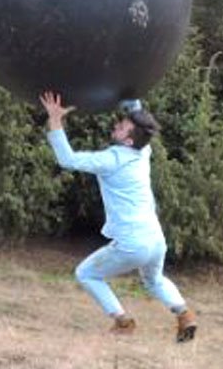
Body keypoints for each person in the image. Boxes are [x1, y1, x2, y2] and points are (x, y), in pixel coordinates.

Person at [39, 91, 197, 342]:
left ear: (128, 140)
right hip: (156, 240)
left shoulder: (112, 159)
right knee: (154, 280)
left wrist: (55, 120)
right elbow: (137, 114)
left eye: (122, 126)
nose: (117, 124)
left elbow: (67, 159)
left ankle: (123, 322)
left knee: (86, 274)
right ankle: (185, 316)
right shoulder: (143, 152)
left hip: (133, 243)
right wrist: (131, 90)